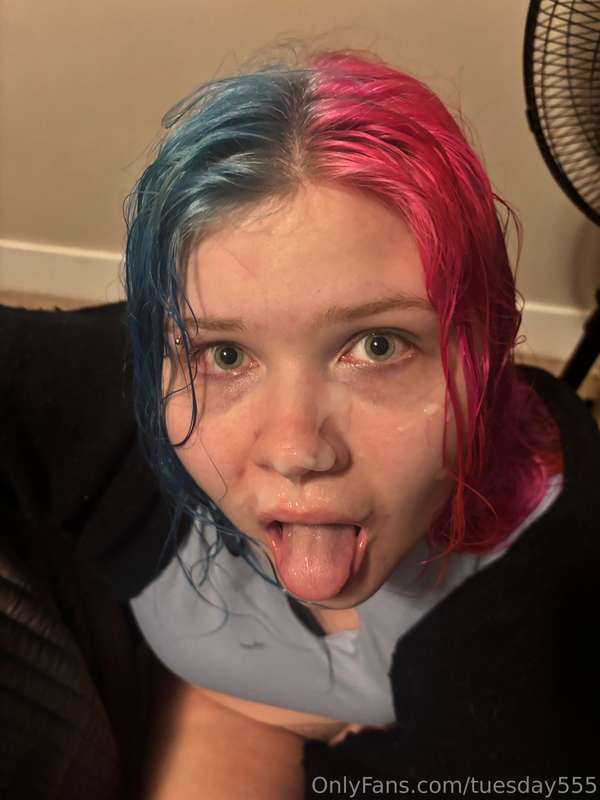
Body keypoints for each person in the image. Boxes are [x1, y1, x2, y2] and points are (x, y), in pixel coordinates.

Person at [122, 45, 599, 799]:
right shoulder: (111, 409)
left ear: (495, 340)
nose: (295, 450)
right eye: (226, 354)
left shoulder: (522, 694)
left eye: (378, 346)